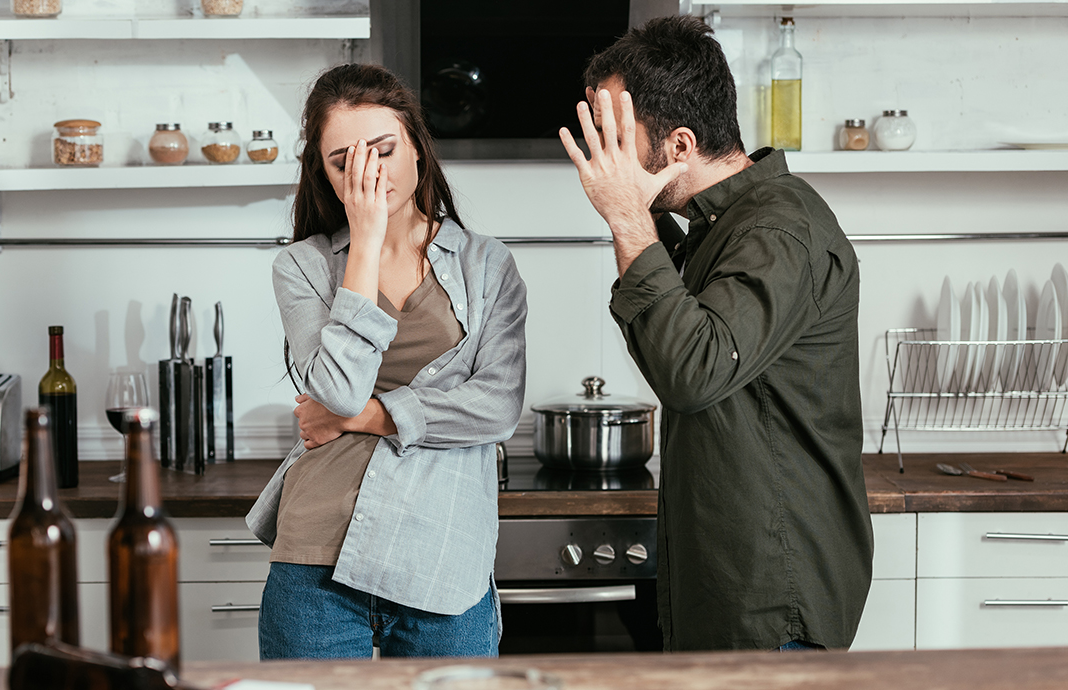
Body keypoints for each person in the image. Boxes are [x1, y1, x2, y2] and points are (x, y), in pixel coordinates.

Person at [558, 16, 872, 652]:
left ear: (678, 145)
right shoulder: (720, 229)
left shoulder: (778, 232)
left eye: (617, 136)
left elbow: (693, 370)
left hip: (772, 601)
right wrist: (638, 216)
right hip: (729, 591)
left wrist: (626, 216)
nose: (603, 159)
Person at [246, 63, 527, 660]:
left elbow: (497, 409)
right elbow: (339, 389)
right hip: (317, 557)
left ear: (418, 150)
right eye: (342, 161)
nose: (368, 172)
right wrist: (366, 242)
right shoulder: (302, 267)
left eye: (383, 149)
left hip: (442, 559)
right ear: (323, 175)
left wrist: (362, 418)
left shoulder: (488, 265)